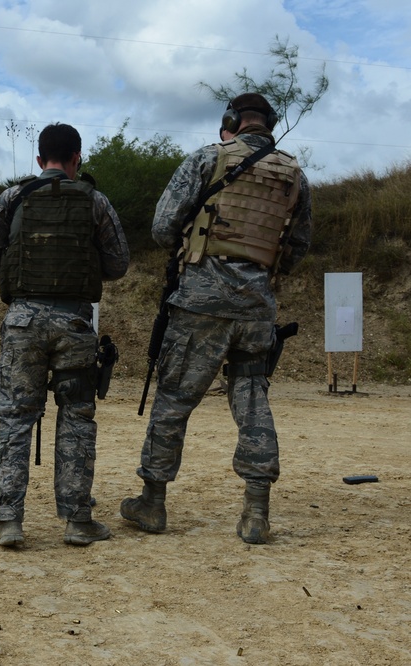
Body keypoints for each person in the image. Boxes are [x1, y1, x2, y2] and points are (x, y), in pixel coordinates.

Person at [121, 93, 312, 544]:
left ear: (231, 121)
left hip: (201, 305)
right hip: (257, 309)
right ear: (270, 124)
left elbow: (163, 227)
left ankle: (152, 502)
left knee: (174, 399)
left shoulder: (207, 159)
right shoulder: (294, 176)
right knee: (251, 400)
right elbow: (297, 248)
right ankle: (256, 512)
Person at [0, 122, 130, 548]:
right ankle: (78, 521)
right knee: (77, 418)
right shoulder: (95, 201)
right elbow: (118, 264)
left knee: (14, 419)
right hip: (76, 324)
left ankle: (9, 521)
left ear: (39, 160)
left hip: (23, 323)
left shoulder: (13, 197)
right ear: (77, 159)